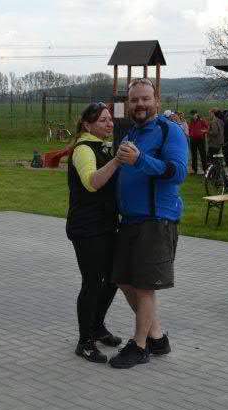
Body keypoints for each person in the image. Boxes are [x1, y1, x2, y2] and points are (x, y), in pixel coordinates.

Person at [109, 78, 188, 369]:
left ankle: (139, 346)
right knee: (123, 279)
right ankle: (156, 337)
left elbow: (178, 172)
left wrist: (141, 159)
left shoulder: (170, 131)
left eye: (145, 99)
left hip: (156, 220)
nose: (140, 104)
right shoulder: (132, 132)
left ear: (156, 100)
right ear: (128, 103)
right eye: (134, 100)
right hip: (130, 220)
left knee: (144, 286)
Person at [66, 102, 122, 364]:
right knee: (92, 282)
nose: (109, 124)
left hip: (106, 224)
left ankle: (97, 326)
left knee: (112, 279)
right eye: (102, 120)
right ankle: (85, 341)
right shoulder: (83, 149)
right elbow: (92, 183)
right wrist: (117, 161)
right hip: (87, 227)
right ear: (87, 125)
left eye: (110, 119)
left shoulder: (103, 146)